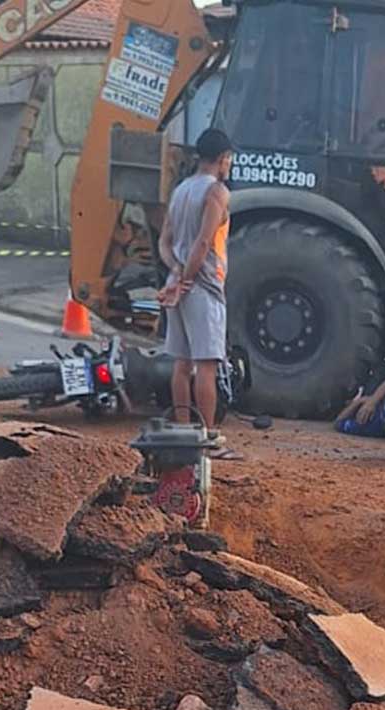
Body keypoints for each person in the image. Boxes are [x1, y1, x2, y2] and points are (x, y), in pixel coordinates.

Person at [156, 128, 241, 461]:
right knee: (206, 365)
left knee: (181, 363)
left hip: (178, 284)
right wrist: (187, 280)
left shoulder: (180, 191)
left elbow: (165, 242)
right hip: (203, 287)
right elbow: (204, 243)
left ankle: (182, 431)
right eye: (229, 159)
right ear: (222, 159)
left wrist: (175, 275)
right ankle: (207, 438)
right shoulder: (217, 193)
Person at [334, 367, 385, 443]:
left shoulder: (372, 425)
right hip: (379, 393)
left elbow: (338, 422)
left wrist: (362, 401)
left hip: (368, 393)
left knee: (381, 371)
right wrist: (374, 400)